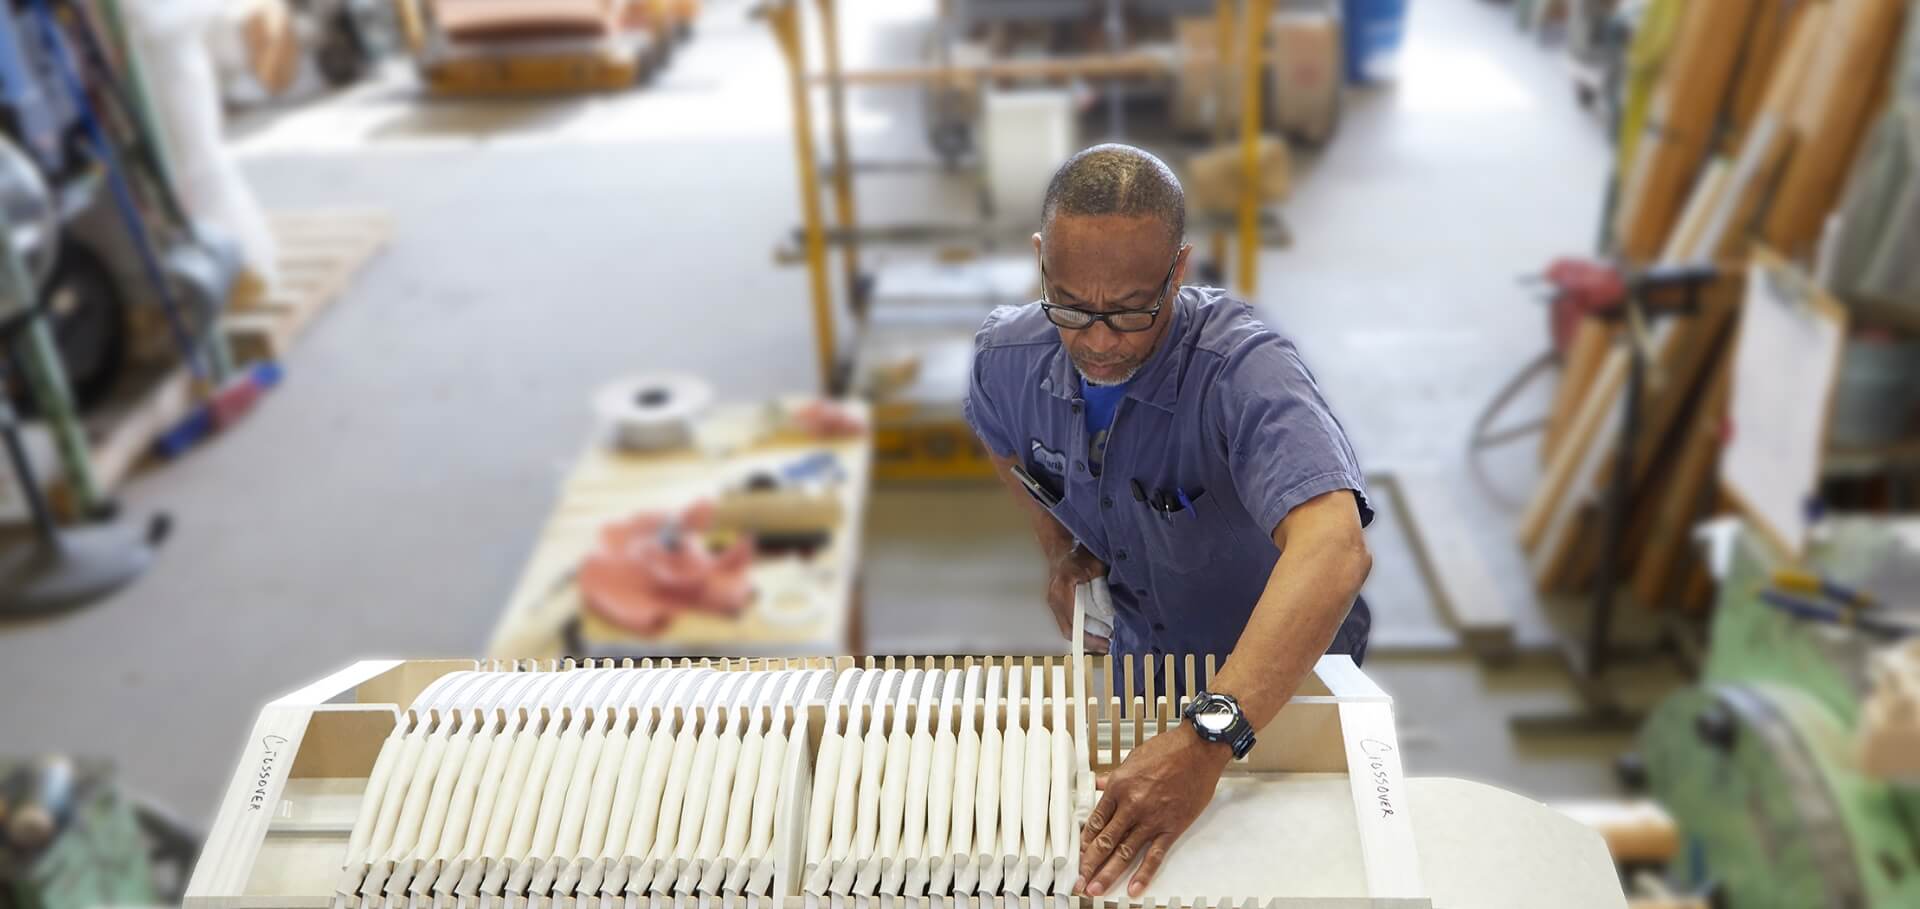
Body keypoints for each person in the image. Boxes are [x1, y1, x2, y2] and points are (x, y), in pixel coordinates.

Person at [963, 144, 1375, 898]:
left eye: (1129, 309)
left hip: (1283, 679)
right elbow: (1001, 439)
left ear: (1178, 270)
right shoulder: (1007, 357)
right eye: (1071, 305)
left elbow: (1335, 548)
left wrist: (1205, 738)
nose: (1096, 338)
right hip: (1142, 661)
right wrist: (1059, 549)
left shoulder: (1244, 371)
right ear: (1039, 261)